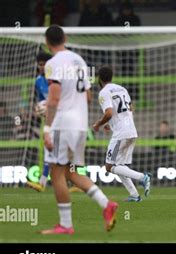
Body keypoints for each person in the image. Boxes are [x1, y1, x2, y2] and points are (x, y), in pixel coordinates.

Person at [40, 25, 118, 235]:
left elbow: (55, 98)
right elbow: (89, 96)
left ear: (47, 42)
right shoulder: (79, 61)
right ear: (64, 38)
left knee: (56, 174)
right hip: (80, 125)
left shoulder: (52, 64)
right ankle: (106, 204)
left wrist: (47, 127)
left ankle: (65, 225)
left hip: (62, 124)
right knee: (71, 172)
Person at [92, 66, 151, 202]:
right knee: (119, 166)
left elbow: (108, 113)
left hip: (121, 134)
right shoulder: (122, 89)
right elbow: (130, 108)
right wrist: (110, 123)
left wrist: (98, 124)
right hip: (131, 130)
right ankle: (135, 195)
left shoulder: (104, 92)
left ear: (99, 78)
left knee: (110, 166)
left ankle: (143, 177)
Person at [26, 51, 52, 192]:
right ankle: (42, 183)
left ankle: (77, 182)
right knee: (49, 149)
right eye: (40, 64)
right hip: (50, 120)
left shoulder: (57, 78)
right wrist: (39, 108)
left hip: (64, 119)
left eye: (44, 64)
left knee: (62, 153)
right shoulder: (38, 81)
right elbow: (40, 101)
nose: (41, 67)